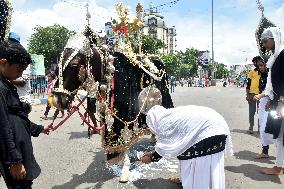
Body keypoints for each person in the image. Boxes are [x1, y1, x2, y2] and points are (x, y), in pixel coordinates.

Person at [140, 105, 233, 189]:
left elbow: (165, 149)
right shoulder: (170, 115)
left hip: (209, 134)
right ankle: (189, 180)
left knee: (192, 157)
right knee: (185, 147)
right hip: (220, 129)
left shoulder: (163, 124)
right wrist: (155, 152)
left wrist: (150, 158)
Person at [0, 41, 51, 189]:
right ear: (3, 63)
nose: (21, 74)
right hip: (14, 155)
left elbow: (17, 116)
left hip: (20, 150)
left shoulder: (7, 84)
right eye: (19, 69)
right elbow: (3, 127)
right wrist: (14, 161)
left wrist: (39, 128)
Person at [260, 27, 284, 175]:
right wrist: (270, 98)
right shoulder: (277, 56)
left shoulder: (282, 55)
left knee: (280, 134)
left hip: (281, 101)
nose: (264, 44)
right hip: (277, 99)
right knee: (280, 134)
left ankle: (279, 167)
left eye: (265, 41)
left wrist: (281, 101)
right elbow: (274, 81)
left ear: (274, 38)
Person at [253, 56, 275, 159]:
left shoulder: (273, 73)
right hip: (263, 102)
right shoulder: (261, 74)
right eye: (259, 66)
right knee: (262, 127)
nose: (260, 67)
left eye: (262, 65)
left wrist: (265, 98)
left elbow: (272, 90)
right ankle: (265, 151)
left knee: (275, 129)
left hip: (273, 102)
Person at [9, 32, 32, 114]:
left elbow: (22, 82)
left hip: (22, 100)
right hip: (10, 99)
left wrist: (5, 80)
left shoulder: (23, 59)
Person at [246, 56, 262, 134]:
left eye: (259, 61)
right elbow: (248, 84)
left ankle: (260, 128)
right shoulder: (252, 72)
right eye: (256, 62)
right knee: (252, 112)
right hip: (252, 94)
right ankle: (251, 126)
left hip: (261, 95)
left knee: (260, 112)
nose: (257, 63)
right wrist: (247, 94)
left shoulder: (264, 71)